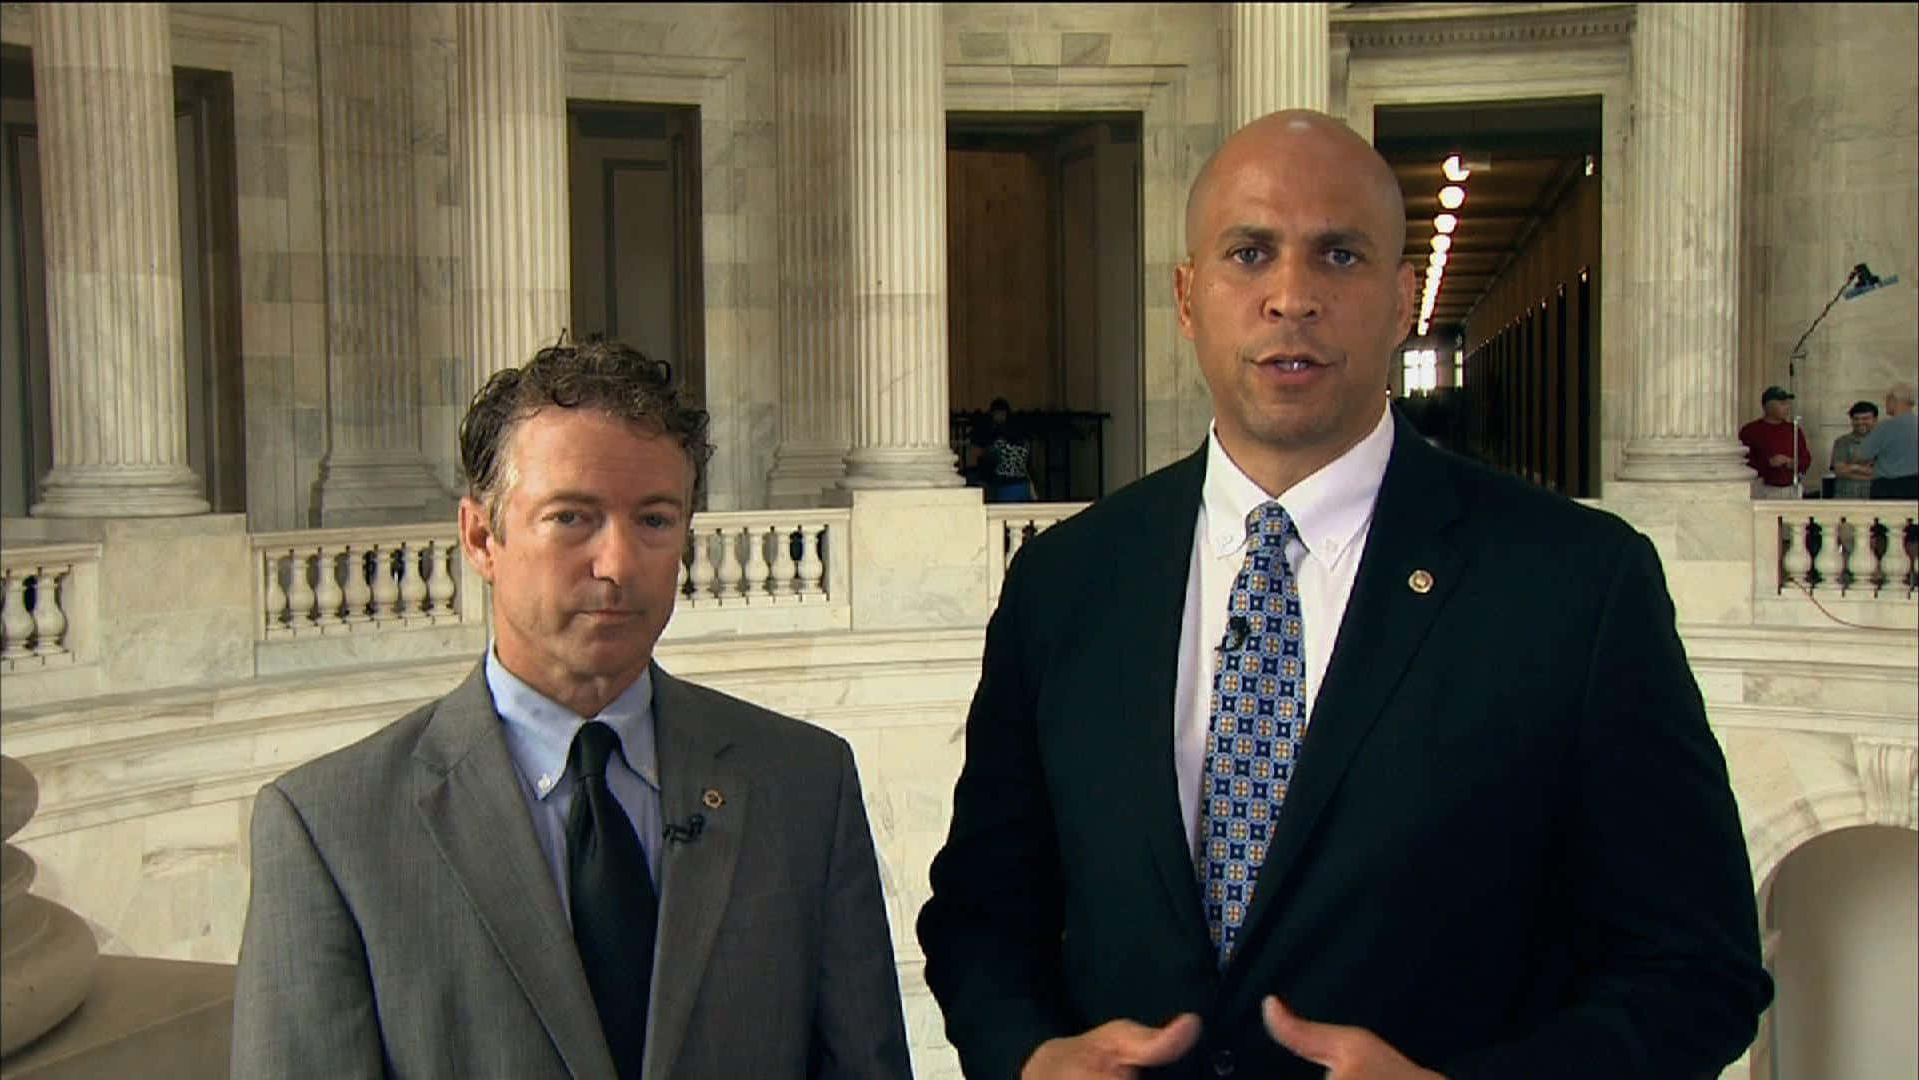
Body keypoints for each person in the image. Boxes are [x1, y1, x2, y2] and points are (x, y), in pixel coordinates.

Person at [918, 110, 1770, 1079]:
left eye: (1339, 256)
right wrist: (1029, 1058)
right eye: (1249, 253)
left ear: (1403, 297)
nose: (1292, 297)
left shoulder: (1576, 582)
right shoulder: (1068, 581)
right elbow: (984, 911)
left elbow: (1695, 971)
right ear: (1189, 298)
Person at [232, 339, 911, 1079]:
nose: (617, 564)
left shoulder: (805, 783)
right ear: (481, 536)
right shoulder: (331, 830)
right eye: (572, 518)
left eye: (654, 520)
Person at [1737, 386, 1812, 498]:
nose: (1787, 407)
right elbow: (1743, 462)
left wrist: (1793, 463)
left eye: (1787, 403)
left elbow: (1806, 459)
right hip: (1763, 488)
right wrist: (1769, 463)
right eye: (1782, 404)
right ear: (1768, 406)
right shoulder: (1751, 430)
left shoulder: (1793, 429)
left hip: (1791, 488)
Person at [1855, 382, 1919, 500]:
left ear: (1893, 400)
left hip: (1887, 488)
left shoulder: (1885, 427)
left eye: (1887, 400)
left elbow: (1861, 455)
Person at [973, 397, 1038, 503]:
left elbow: (987, 457)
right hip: (1023, 484)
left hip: (1006, 485)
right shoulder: (1024, 442)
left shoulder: (999, 442)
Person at [1828, 399, 1879, 499]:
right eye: (1856, 419)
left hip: (1876, 500)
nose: (1860, 422)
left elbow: (1885, 473)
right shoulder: (1842, 442)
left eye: (1865, 418)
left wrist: (1852, 467)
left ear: (1875, 419)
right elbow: (1839, 471)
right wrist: (1866, 471)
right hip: (1846, 499)